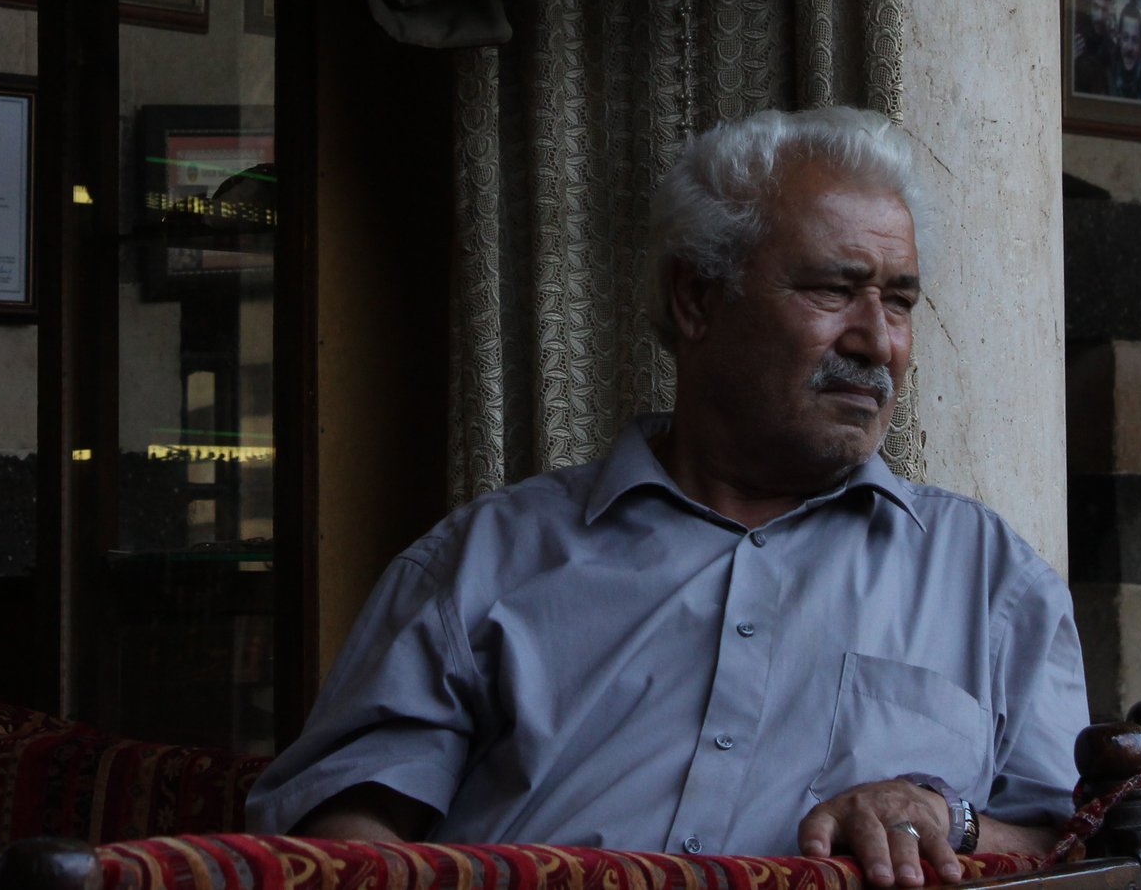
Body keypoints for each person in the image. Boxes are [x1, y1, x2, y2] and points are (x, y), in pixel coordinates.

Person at [248, 109, 1086, 876]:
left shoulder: (990, 581)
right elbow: (340, 824)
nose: (877, 341)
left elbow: (1077, 844)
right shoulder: (489, 558)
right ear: (696, 297)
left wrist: (949, 815)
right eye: (835, 288)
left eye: (899, 301)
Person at [1104, 7, 1141, 102]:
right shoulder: (1107, 74)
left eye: (1135, 40)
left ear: (1140, 42)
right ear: (1119, 38)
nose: (1129, 47)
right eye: (1125, 38)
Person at [1072, 0, 1115, 96]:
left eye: (1104, 9)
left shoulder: (1111, 47)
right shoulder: (1077, 38)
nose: (1100, 16)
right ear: (1088, 5)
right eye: (1096, 7)